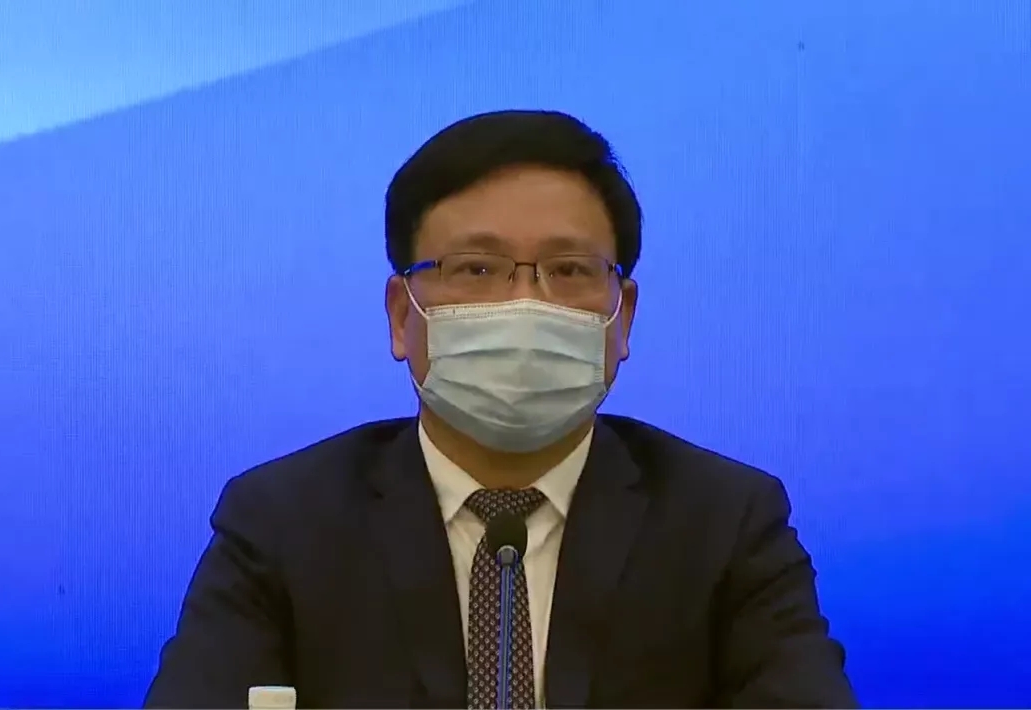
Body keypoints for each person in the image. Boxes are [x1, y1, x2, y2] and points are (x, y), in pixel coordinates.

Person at [144, 109, 857, 709]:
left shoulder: (725, 521)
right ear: (402, 315)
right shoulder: (282, 522)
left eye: (569, 270)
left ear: (623, 318)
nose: (524, 304)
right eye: (476, 269)